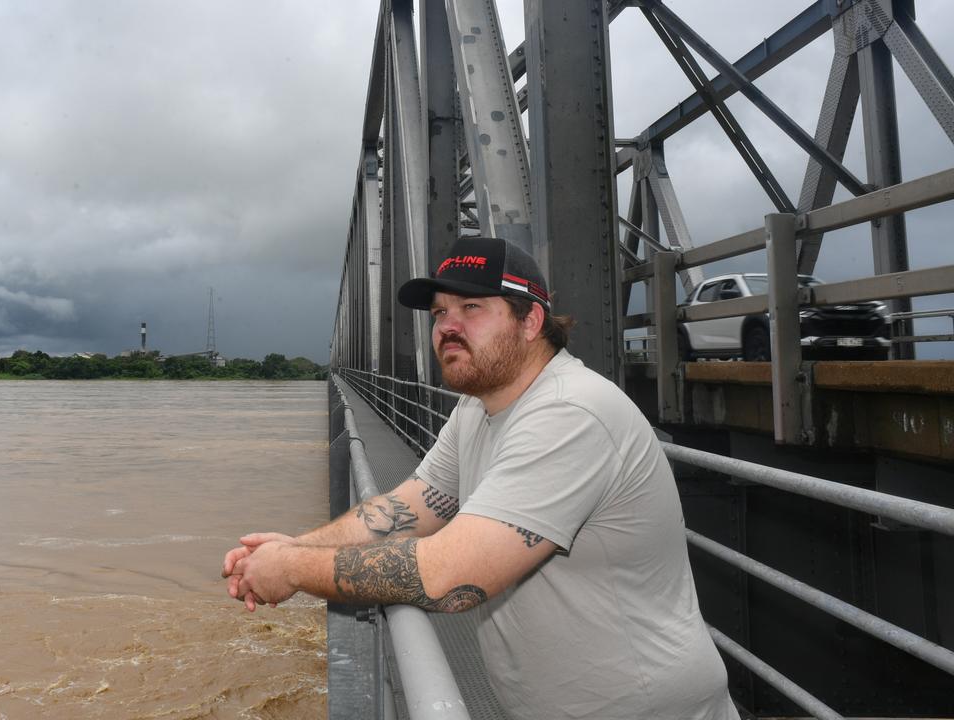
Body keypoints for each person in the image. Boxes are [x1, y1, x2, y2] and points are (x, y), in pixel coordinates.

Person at [221, 236, 738, 719]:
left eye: (472, 308)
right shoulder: (478, 410)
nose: (447, 326)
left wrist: (292, 570)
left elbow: (451, 579)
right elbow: (409, 508)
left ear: (531, 321)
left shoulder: (571, 412)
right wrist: (294, 546)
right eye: (440, 312)